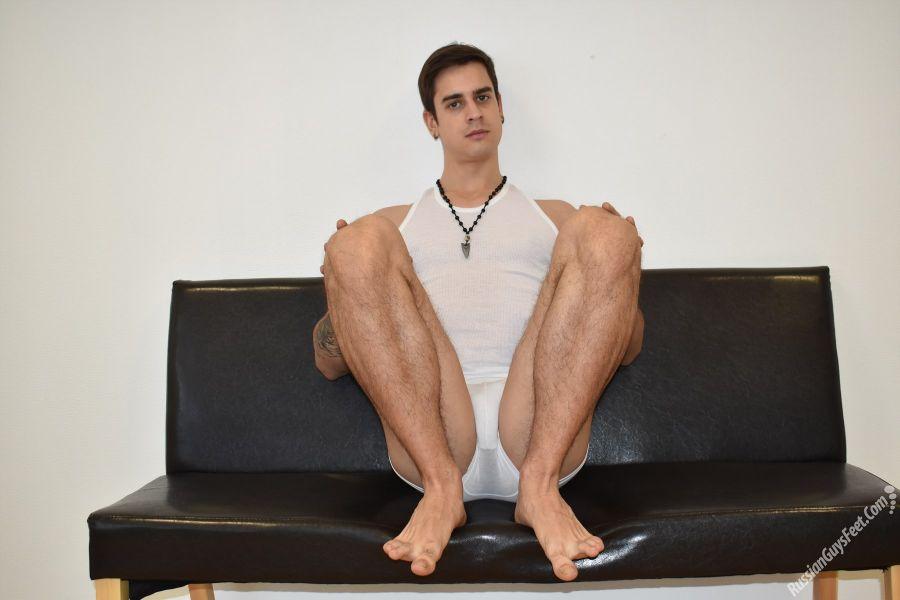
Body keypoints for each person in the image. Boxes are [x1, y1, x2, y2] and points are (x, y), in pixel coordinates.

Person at [313, 42, 644, 582]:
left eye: (483, 97)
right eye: (455, 103)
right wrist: (349, 290)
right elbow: (328, 362)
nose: (473, 113)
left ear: (501, 108)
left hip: (537, 426)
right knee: (356, 244)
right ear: (432, 122)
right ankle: (443, 490)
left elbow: (625, 349)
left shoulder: (556, 218)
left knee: (605, 231)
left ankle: (539, 489)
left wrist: (621, 269)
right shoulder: (393, 225)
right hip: (436, 430)